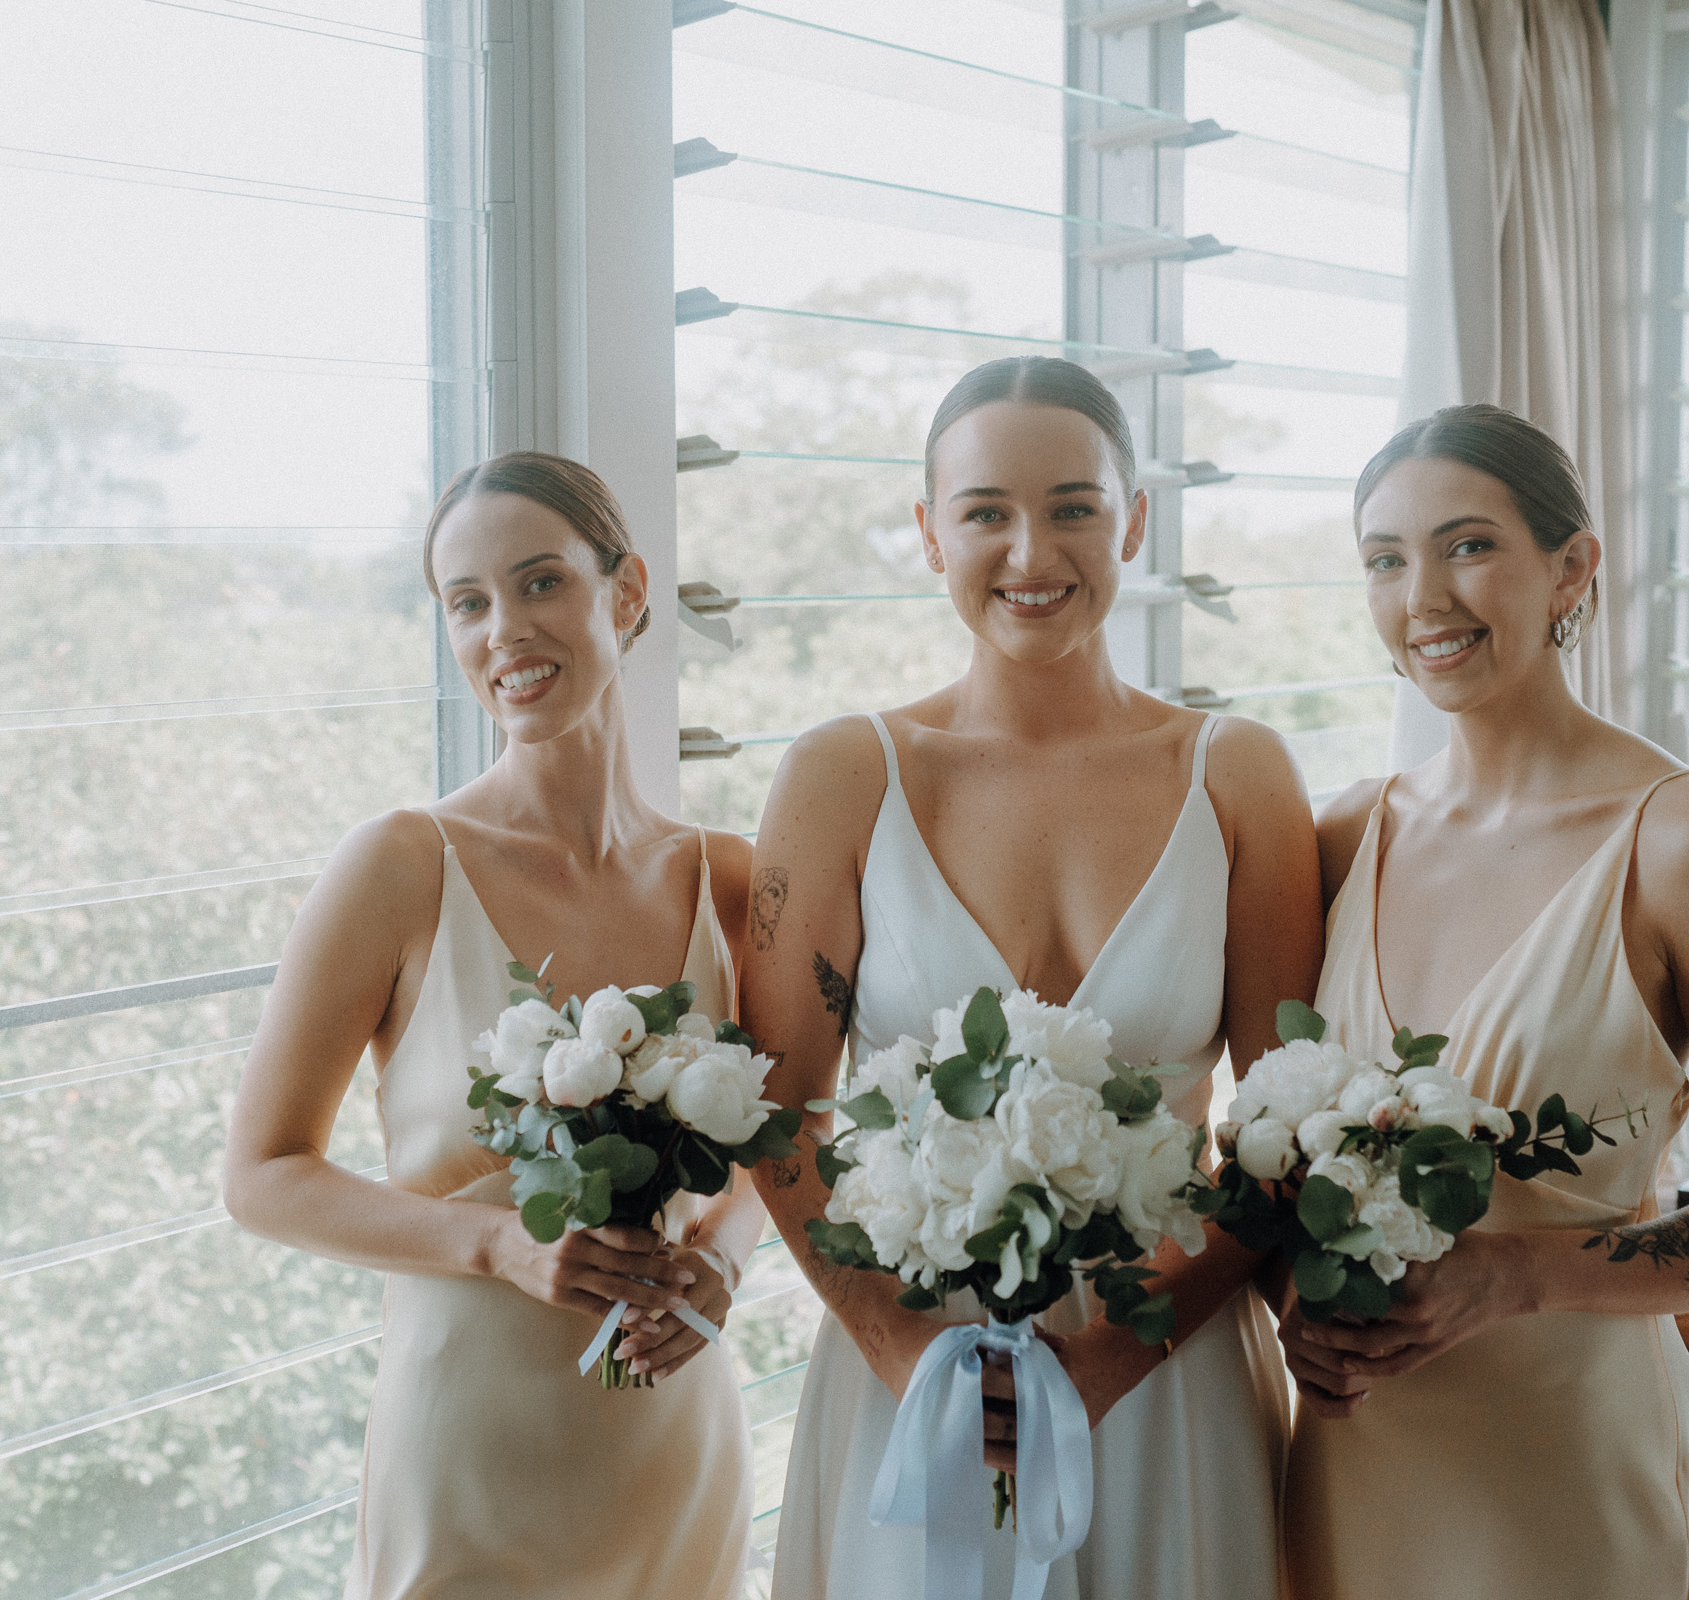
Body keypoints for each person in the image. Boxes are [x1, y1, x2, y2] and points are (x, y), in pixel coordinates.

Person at [747, 357, 1324, 1600]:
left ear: (1136, 521)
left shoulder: (1240, 775)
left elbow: (1286, 1130)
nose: (1029, 551)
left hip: (1166, 1368)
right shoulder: (844, 775)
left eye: (1073, 506)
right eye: (984, 512)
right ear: (926, 531)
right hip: (917, 1366)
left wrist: (1111, 1358)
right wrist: (909, 1355)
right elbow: (778, 1109)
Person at [1279, 406, 1689, 1600]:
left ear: (1572, 566)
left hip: (1570, 1470)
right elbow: (1269, 1142)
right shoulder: (1339, 835)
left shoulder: (1688, 842)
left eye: (1467, 545)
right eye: (1385, 558)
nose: (1424, 594)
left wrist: (1520, 1274)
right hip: (1353, 1451)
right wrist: (1295, 1292)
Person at [222, 452, 761, 1599]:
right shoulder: (399, 866)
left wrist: (723, 1259)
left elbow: (787, 1134)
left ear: (625, 593)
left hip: (674, 1447)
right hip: (467, 1461)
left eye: (539, 583)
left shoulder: (728, 883)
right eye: (467, 603)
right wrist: (497, 1244)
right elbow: (261, 1175)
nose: (503, 629)